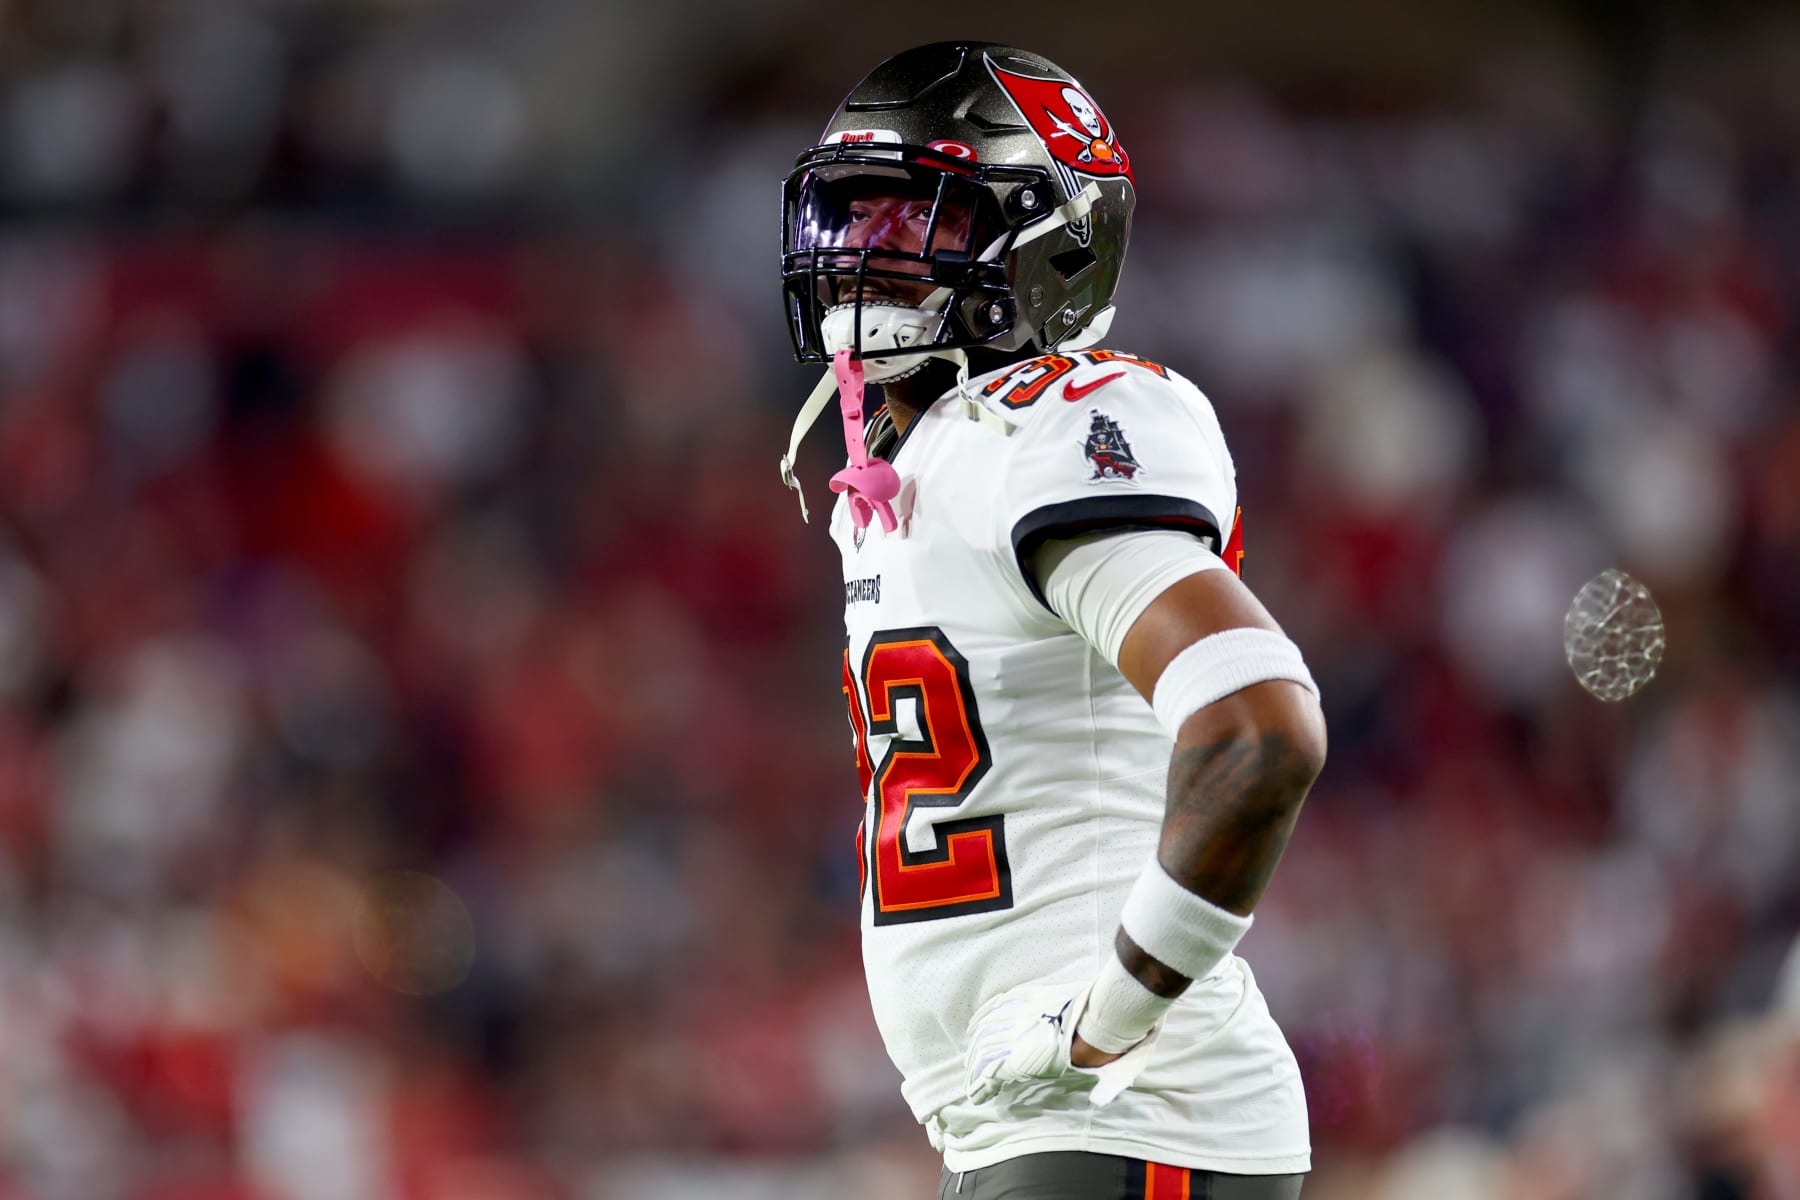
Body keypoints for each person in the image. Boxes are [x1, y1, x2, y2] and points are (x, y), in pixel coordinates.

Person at [778, 42, 1327, 1200]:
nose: (863, 254)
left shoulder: (1040, 435)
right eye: (852, 217)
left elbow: (1258, 726)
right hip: (1044, 1130)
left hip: (1133, 1118)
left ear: (1055, 245)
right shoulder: (924, 469)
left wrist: (1106, 1023)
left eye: (913, 218)